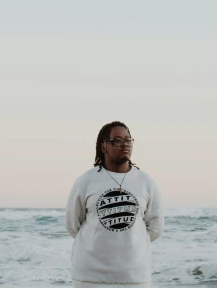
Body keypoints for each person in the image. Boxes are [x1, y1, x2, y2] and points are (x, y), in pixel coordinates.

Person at [65, 121, 164, 288]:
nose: (125, 145)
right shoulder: (86, 181)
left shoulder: (146, 182)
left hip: (134, 277)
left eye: (128, 140)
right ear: (104, 146)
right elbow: (72, 224)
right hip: (90, 277)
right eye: (118, 140)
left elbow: (155, 227)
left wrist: (129, 242)